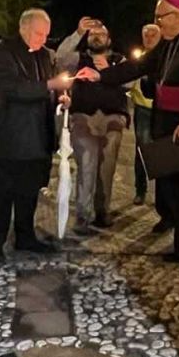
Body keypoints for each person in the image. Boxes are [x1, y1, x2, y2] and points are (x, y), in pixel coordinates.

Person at [92, 0, 179, 268]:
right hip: (165, 123)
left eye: (161, 17)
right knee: (170, 191)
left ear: (178, 15)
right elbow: (138, 67)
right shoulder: (167, 43)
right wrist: (100, 76)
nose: (157, 23)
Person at [0, 9, 96, 260]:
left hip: (38, 136)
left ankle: (25, 235)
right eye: (38, 33)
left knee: (30, 188)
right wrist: (49, 86)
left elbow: (50, 87)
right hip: (12, 135)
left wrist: (62, 98)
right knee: (5, 190)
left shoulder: (45, 55)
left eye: (46, 34)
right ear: (23, 28)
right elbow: (10, 88)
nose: (43, 39)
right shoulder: (4, 52)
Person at [56, 18, 130, 232]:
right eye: (92, 34)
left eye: (101, 34)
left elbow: (131, 81)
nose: (97, 37)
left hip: (112, 118)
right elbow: (61, 58)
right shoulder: (78, 59)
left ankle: (102, 211)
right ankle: (83, 216)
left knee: (106, 168)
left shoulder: (119, 61)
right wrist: (77, 33)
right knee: (87, 164)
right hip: (84, 117)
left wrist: (109, 71)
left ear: (109, 39)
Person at [128, 23, 162, 205]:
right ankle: (140, 190)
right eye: (146, 35)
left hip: (162, 109)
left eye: (153, 35)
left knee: (162, 152)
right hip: (142, 109)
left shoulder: (165, 56)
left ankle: (161, 197)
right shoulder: (138, 57)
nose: (149, 38)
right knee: (141, 150)